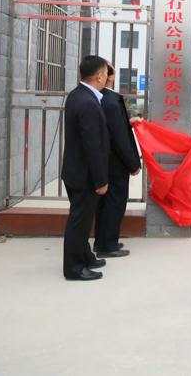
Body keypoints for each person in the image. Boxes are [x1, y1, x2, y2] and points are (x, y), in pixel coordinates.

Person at [61, 55, 110, 281]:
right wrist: (101, 180)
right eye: (105, 73)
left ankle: (85, 256)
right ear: (98, 76)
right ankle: (74, 268)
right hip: (84, 175)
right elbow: (92, 145)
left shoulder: (78, 95)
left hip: (76, 171)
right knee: (79, 222)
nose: (107, 78)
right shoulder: (88, 102)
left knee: (83, 219)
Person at [93, 63, 141, 258]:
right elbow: (119, 137)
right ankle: (108, 245)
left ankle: (102, 241)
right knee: (114, 203)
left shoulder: (101, 97)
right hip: (115, 162)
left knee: (105, 204)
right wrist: (133, 163)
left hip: (106, 160)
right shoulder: (110, 101)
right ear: (108, 77)